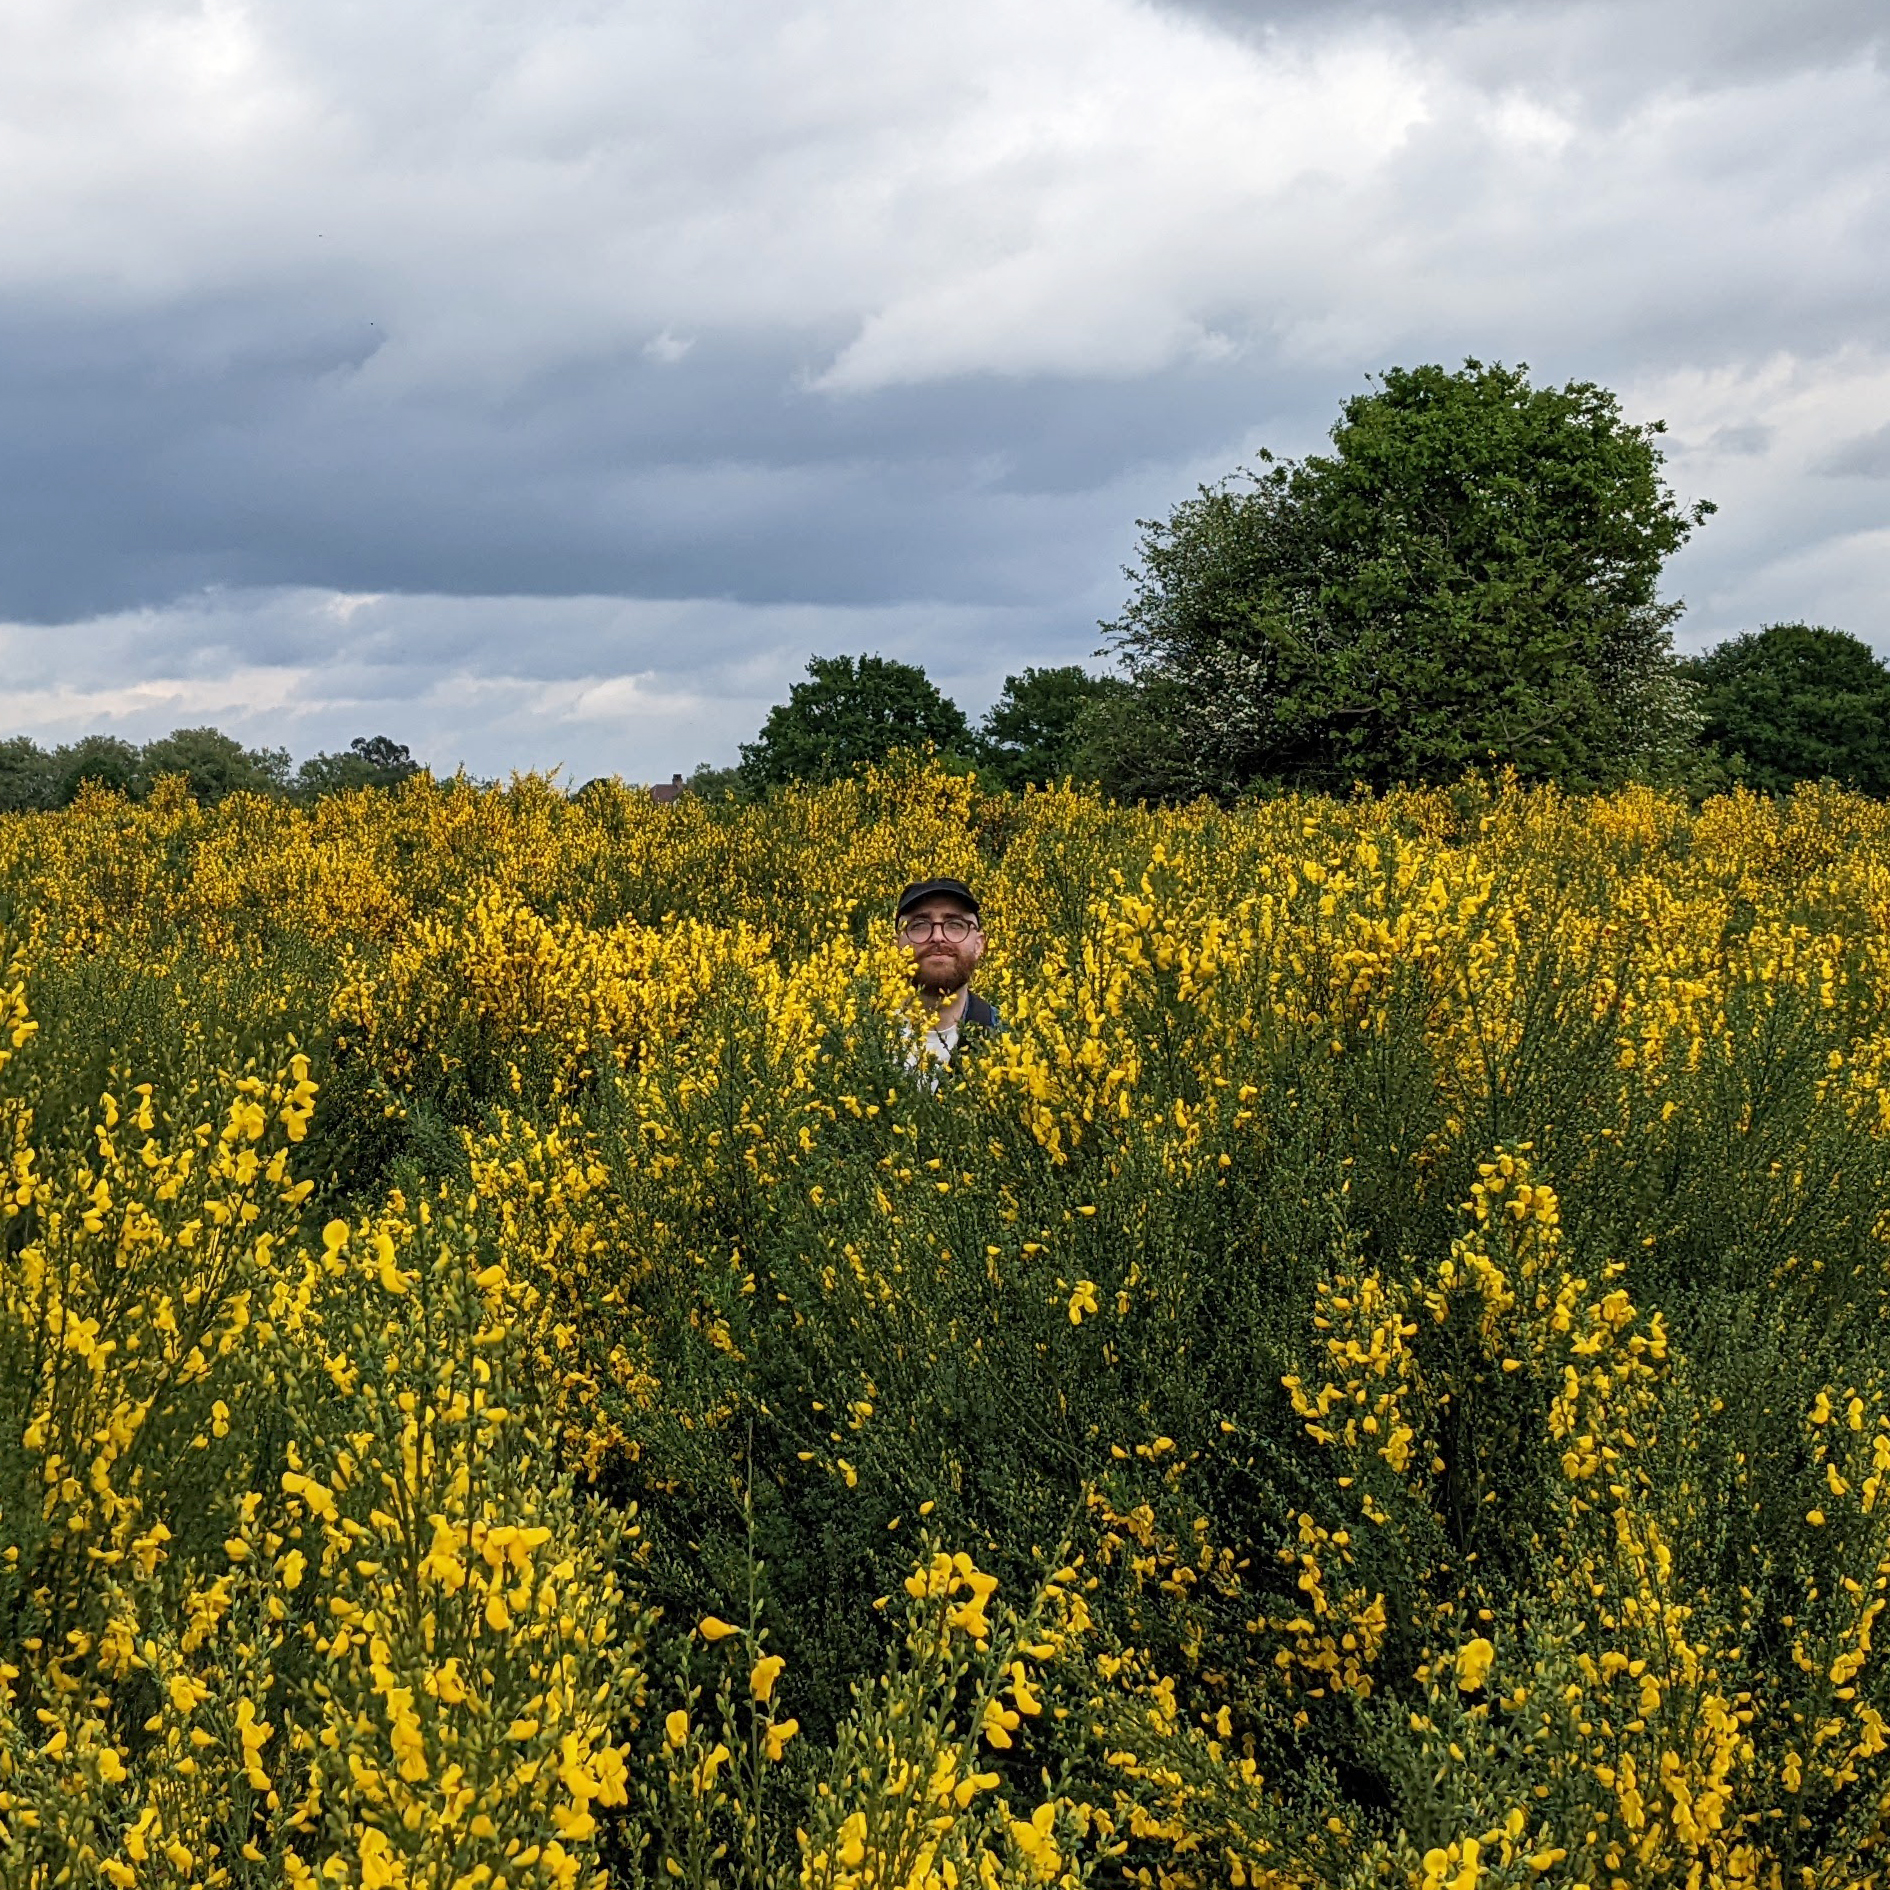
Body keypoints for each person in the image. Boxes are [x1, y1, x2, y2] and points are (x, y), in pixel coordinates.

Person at [896, 877, 1000, 1067]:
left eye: (955, 925)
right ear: (896, 945)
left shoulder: (1008, 1038)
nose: (938, 937)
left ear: (979, 945)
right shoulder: (853, 1036)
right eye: (919, 925)